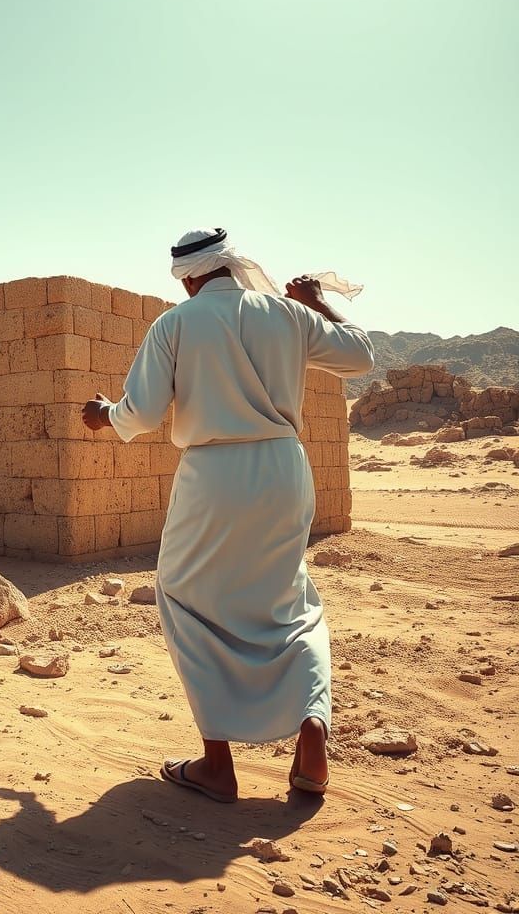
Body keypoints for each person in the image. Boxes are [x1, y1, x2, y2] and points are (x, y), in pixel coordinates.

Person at [82, 228, 373, 803]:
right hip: (282, 471)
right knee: (292, 600)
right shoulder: (288, 316)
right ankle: (312, 733)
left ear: (188, 278)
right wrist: (316, 302)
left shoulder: (175, 324)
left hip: (212, 478)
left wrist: (103, 414)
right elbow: (360, 357)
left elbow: (139, 414)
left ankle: (217, 762)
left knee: (183, 595)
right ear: (228, 266)